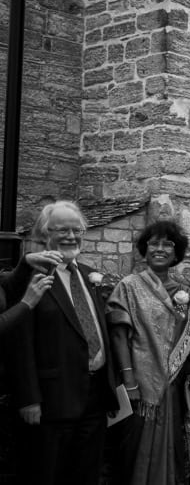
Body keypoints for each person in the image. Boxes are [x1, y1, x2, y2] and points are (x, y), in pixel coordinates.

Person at [9, 201, 119, 485]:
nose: (71, 236)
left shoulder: (87, 274)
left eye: (77, 229)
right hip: (51, 401)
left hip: (94, 398)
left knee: (85, 475)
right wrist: (28, 398)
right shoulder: (30, 278)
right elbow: (20, 343)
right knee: (46, 475)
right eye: (62, 230)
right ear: (45, 235)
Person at [108, 220, 190, 485]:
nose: (159, 249)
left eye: (167, 244)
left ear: (176, 252)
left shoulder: (185, 293)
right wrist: (130, 380)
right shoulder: (128, 286)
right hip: (141, 386)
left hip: (171, 386)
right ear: (144, 249)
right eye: (153, 243)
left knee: (170, 450)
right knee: (136, 452)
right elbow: (119, 336)